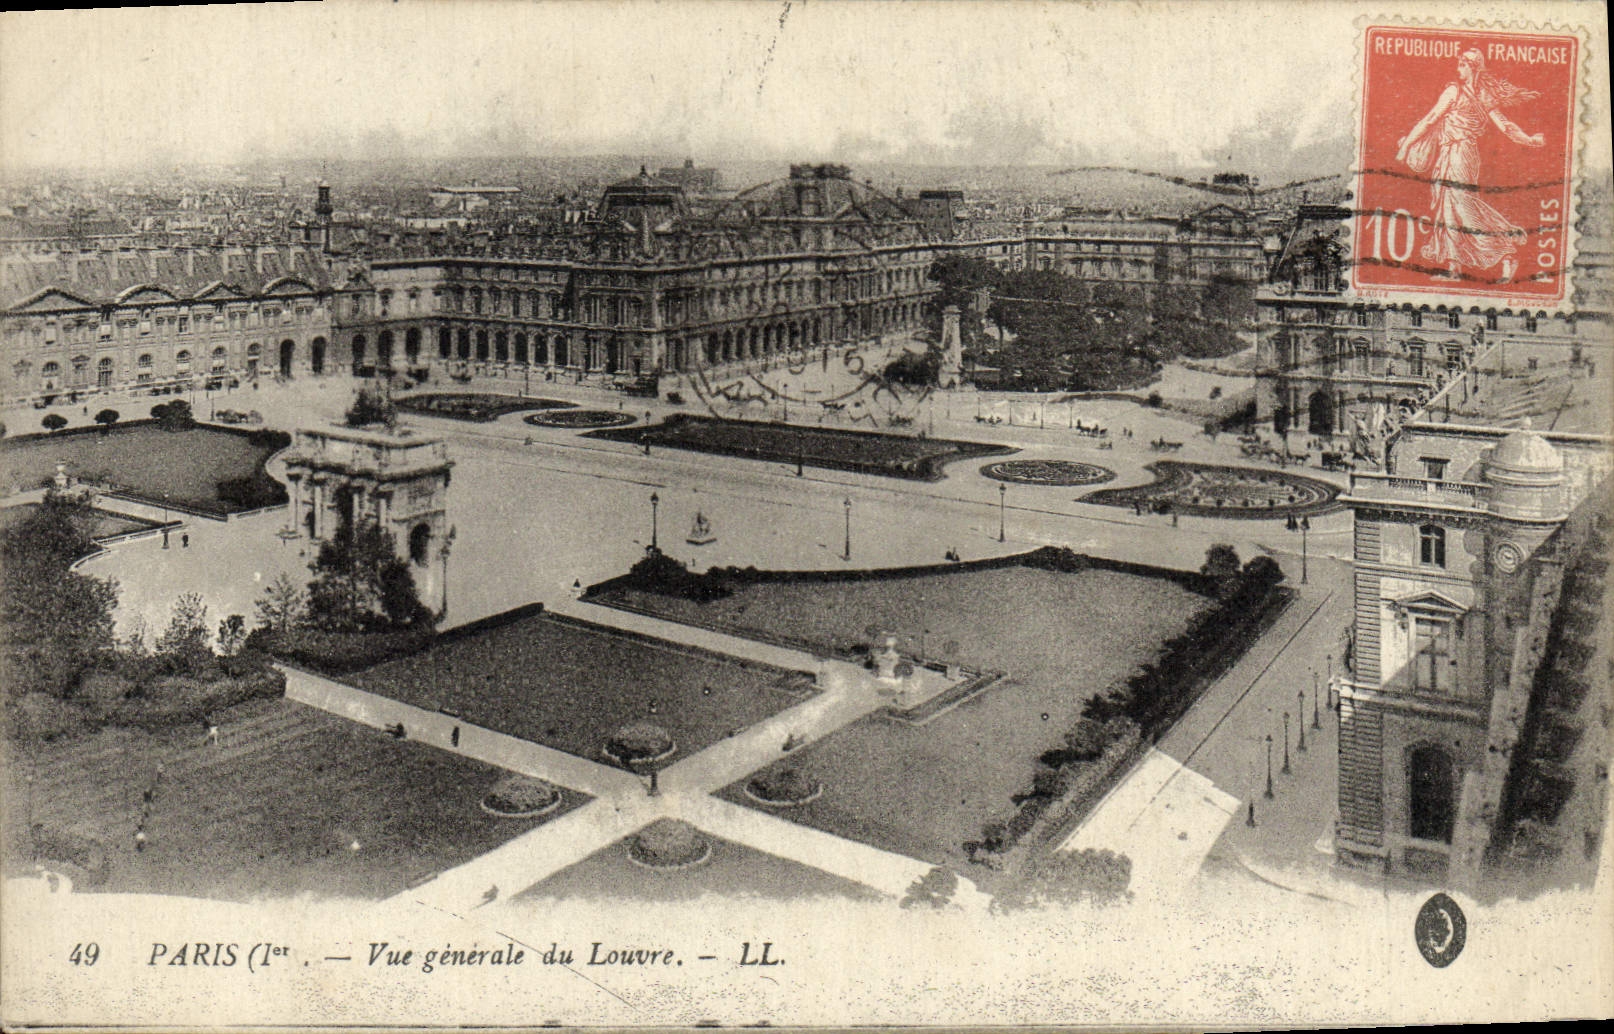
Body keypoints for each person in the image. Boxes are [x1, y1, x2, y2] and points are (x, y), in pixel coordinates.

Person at [1396, 48, 1545, 283]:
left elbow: (1431, 119)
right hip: (1455, 153)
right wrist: (1529, 140)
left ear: (1472, 67)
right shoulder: (1478, 94)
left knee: (1463, 207)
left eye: (1462, 65)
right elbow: (1504, 125)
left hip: (1460, 153)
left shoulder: (1455, 92)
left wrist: (1406, 147)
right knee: (1449, 208)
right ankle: (1454, 266)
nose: (1458, 69)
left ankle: (1506, 249)